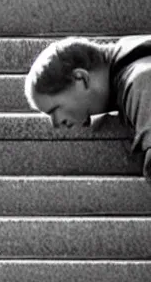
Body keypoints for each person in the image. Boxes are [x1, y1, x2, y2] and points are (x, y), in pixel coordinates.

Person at [25, 35, 151, 179]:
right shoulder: (134, 66)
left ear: (81, 78)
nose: (55, 123)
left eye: (55, 109)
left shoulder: (140, 80)